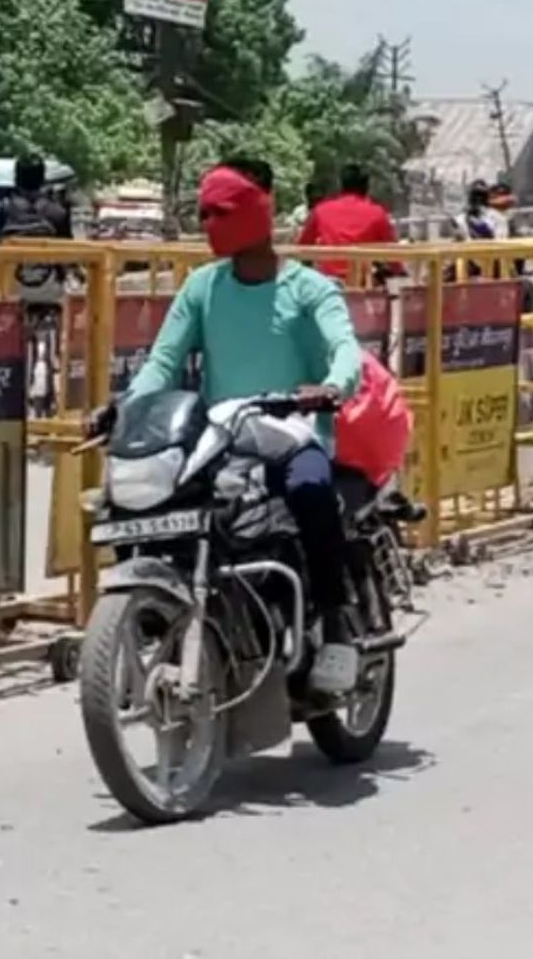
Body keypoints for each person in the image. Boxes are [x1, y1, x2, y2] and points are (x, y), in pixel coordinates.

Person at [93, 158, 363, 694]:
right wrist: (123, 407)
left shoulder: (309, 288)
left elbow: (346, 351)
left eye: (218, 212)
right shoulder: (202, 288)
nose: (206, 223)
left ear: (253, 214)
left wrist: (330, 386)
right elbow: (162, 363)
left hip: (297, 432)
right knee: (129, 501)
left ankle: (336, 623)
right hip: (222, 438)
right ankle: (159, 616)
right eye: (202, 213)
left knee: (310, 489)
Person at [298, 164, 398, 281]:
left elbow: (303, 246)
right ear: (366, 186)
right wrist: (401, 273)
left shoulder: (320, 211)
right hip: (363, 283)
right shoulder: (377, 213)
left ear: (341, 185)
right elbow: (393, 253)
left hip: (328, 282)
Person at [0, 153, 72, 241]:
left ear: (16, 179)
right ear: (43, 179)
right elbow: (66, 247)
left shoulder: (4, 210)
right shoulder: (58, 213)